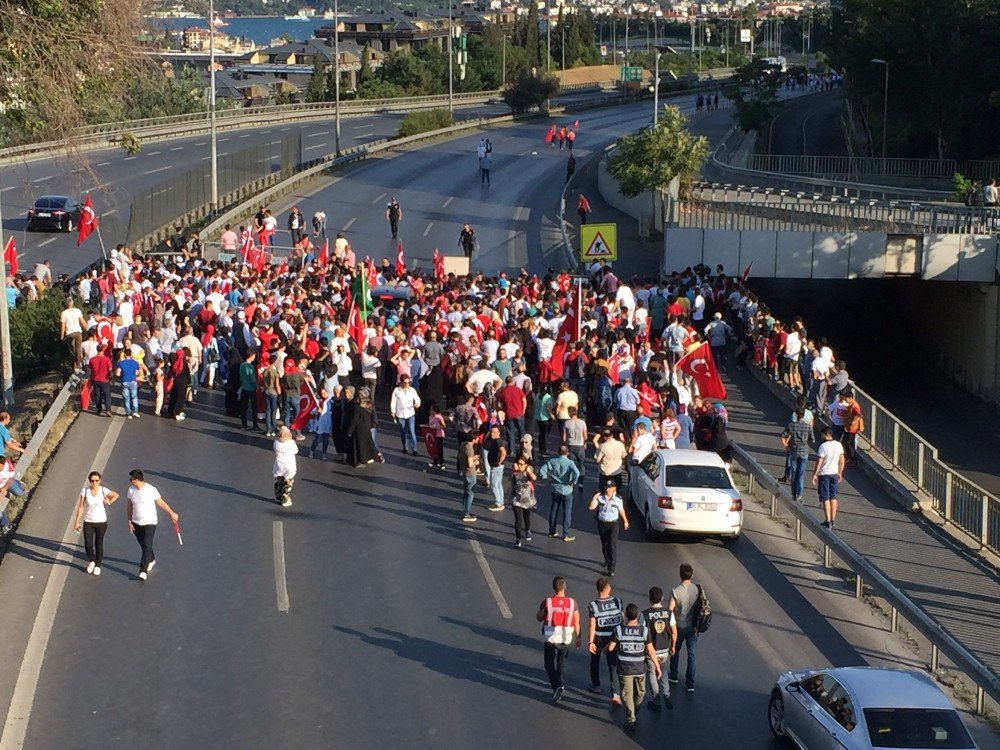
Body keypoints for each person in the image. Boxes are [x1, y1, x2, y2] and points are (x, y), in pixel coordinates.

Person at [609, 602, 659, 732]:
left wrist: (604, 649)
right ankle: (631, 718)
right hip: (639, 669)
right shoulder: (644, 631)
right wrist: (657, 666)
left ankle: (633, 710)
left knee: (629, 694)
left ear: (625, 615)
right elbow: (650, 650)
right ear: (637, 615)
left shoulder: (619, 630)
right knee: (639, 693)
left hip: (625, 669)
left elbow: (610, 647)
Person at [125, 469, 179, 581]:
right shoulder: (131, 490)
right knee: (143, 544)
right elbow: (129, 506)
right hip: (136, 522)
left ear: (137, 479)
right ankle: (151, 558)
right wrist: (129, 521)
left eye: (132, 479)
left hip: (150, 522)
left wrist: (171, 513)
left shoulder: (151, 490)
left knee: (147, 544)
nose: (130, 481)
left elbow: (161, 503)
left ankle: (142, 570)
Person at [536, 576, 581, 703]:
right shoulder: (573, 603)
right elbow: (577, 621)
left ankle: (557, 686)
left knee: (549, 664)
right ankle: (560, 682)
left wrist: (545, 612)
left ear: (553, 588)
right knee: (561, 662)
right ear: (565, 587)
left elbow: (539, 617)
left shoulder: (547, 602)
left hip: (551, 638)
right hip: (566, 638)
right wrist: (578, 637)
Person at [73, 471, 120, 576]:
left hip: (101, 522)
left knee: (99, 544)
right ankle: (92, 561)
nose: (94, 483)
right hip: (88, 522)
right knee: (88, 545)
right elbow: (81, 506)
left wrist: (109, 502)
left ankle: (98, 565)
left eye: (96, 480)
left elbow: (116, 495)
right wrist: (77, 521)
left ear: (100, 480)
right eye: (92, 481)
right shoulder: (85, 491)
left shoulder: (104, 490)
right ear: (89, 481)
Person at [588, 577, 624, 704]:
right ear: (607, 588)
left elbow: (592, 624)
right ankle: (615, 693)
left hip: (599, 637)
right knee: (612, 664)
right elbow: (621, 619)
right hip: (613, 638)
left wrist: (590, 642)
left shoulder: (593, 605)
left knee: (595, 661)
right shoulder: (618, 601)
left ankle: (596, 685)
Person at [667, 563, 700, 693]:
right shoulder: (697, 590)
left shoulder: (676, 591)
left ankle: (674, 675)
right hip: (693, 627)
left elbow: (670, 611)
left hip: (679, 625)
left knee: (675, 649)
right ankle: (690, 683)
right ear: (691, 575)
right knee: (692, 655)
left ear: (680, 575)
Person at [643, 586, 677, 711]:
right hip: (664, 651)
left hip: (652, 651)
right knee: (663, 673)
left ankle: (656, 700)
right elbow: (674, 631)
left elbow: (643, 634)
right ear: (662, 598)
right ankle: (667, 695)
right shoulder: (669, 613)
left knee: (652, 673)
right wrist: (673, 645)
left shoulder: (645, 615)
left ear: (650, 599)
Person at [538, 445, 581, 541]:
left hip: (555, 489)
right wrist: (573, 482)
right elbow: (577, 473)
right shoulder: (570, 463)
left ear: (558, 452)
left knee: (554, 510)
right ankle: (565, 534)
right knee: (567, 513)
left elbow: (542, 470)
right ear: (568, 453)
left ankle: (552, 531)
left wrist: (546, 477)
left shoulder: (552, 461)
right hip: (567, 490)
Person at [589, 478, 629, 576]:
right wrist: (594, 497)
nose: (608, 489)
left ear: (614, 488)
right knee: (604, 543)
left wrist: (625, 521)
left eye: (610, 488)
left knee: (612, 544)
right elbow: (591, 507)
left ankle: (611, 568)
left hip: (613, 524)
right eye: (606, 487)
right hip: (602, 523)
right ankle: (606, 559)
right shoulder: (600, 497)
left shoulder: (618, 499)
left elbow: (621, 510)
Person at [812, 426, 845, 528]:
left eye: (822, 434)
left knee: (825, 497)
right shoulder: (838, 445)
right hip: (834, 473)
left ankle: (827, 520)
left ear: (826, 434)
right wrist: (840, 472)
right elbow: (842, 460)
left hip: (824, 474)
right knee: (833, 497)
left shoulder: (823, 446)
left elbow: (819, 462)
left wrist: (815, 474)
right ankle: (833, 520)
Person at [782, 406, 812, 503]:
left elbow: (783, 435)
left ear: (796, 414)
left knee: (794, 473)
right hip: (804, 451)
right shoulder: (808, 426)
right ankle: (799, 495)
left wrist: (786, 446)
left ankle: (793, 494)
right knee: (801, 474)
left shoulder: (792, 425)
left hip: (794, 451)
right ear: (804, 415)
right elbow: (812, 439)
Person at [509, 455, 536, 547]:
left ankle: (528, 530)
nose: (520, 466)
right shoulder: (515, 474)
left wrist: (528, 471)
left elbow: (534, 478)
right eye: (518, 464)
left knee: (526, 517)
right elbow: (514, 483)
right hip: (516, 500)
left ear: (526, 465)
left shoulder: (528, 472)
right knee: (518, 519)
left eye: (522, 464)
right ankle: (518, 539)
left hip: (527, 500)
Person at [390, 374, 420, 455]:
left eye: (408, 382)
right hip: (400, 414)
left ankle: (414, 449)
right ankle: (405, 447)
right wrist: (393, 411)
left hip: (410, 413)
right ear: (401, 382)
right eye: (405, 382)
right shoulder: (396, 390)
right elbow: (393, 401)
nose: (407, 384)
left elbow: (417, 399)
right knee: (403, 431)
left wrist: (417, 404)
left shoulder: (412, 390)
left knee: (411, 430)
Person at [483, 422, 508, 512]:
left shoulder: (498, 441)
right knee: (498, 484)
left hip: (496, 467)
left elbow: (503, 452)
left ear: (498, 433)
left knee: (493, 485)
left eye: (494, 432)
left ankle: (498, 503)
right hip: (498, 467)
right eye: (491, 432)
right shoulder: (496, 441)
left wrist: (499, 462)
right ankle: (501, 501)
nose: (492, 434)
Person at [115, 347, 143, 419]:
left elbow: (118, 374)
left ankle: (128, 413)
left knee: (126, 398)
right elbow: (137, 373)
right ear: (131, 354)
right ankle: (135, 411)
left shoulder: (121, 363)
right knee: (134, 396)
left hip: (124, 381)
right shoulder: (135, 362)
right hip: (133, 381)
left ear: (124, 354)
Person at [273, 427, 298, 507]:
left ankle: (278, 496)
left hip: (279, 464)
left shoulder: (276, 442)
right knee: (288, 481)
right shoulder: (291, 443)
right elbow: (296, 451)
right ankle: (285, 499)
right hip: (289, 464)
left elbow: (274, 450)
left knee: (279, 480)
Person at [60, 297, 87, 369]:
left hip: (69, 333)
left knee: (71, 350)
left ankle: (74, 365)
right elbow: (82, 321)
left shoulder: (64, 313)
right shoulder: (77, 311)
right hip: (78, 332)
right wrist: (86, 328)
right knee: (78, 348)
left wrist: (62, 335)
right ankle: (78, 364)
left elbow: (63, 325)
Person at [459, 433, 479, 523]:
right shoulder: (470, 449)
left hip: (464, 473)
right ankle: (467, 513)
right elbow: (470, 464)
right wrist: (476, 461)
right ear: (474, 439)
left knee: (465, 492)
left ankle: (464, 510)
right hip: (470, 474)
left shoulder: (463, 444)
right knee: (470, 494)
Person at [238, 351, 260, 431]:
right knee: (254, 407)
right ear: (251, 356)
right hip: (251, 389)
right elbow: (252, 379)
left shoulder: (242, 365)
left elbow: (240, 376)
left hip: (244, 388)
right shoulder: (250, 366)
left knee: (244, 407)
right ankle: (255, 425)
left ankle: (244, 424)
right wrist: (256, 387)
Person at [427, 404, 447, 469]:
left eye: (431, 410)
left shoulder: (439, 417)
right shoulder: (430, 417)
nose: (430, 411)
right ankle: (435, 461)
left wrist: (435, 427)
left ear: (435, 411)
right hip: (433, 435)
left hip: (439, 434)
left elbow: (443, 426)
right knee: (434, 448)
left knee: (439, 449)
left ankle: (442, 462)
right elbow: (429, 424)